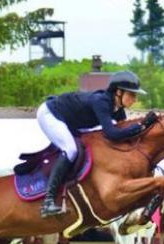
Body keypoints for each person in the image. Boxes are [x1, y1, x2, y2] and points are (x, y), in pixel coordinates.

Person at [36, 70, 156, 217]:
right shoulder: (102, 102)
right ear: (118, 92)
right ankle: (47, 202)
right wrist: (142, 126)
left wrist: (145, 128)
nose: (135, 99)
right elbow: (112, 134)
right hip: (51, 114)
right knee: (71, 150)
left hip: (72, 121)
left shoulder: (118, 110)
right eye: (132, 94)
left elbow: (123, 133)